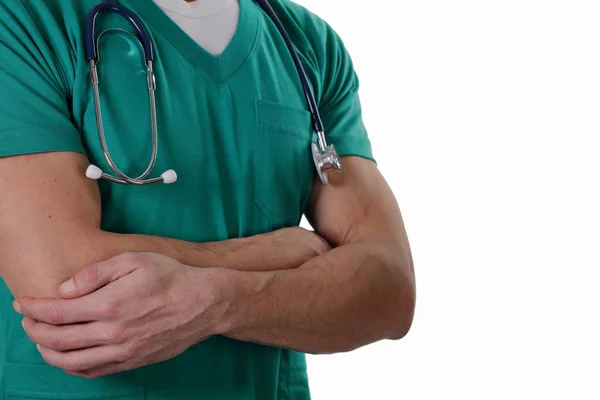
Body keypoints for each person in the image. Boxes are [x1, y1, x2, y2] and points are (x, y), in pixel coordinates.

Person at [0, 0, 416, 398]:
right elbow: (58, 280)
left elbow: (390, 288)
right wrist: (277, 253)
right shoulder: (23, 20)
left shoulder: (306, 43)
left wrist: (220, 301)